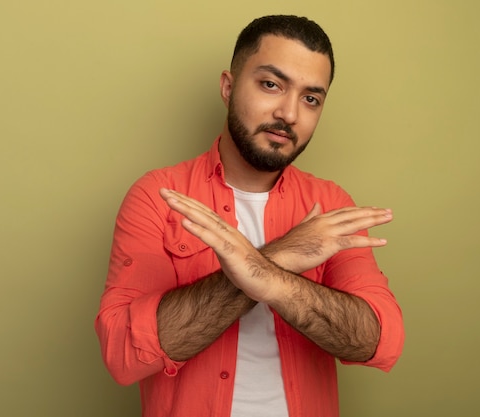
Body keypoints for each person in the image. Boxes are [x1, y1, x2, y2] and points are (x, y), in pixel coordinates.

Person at [95, 14, 404, 417]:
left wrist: (265, 271)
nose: (289, 114)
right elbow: (123, 354)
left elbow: (379, 341)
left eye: (311, 98)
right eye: (271, 85)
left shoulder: (329, 205)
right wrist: (282, 256)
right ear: (228, 87)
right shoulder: (159, 197)